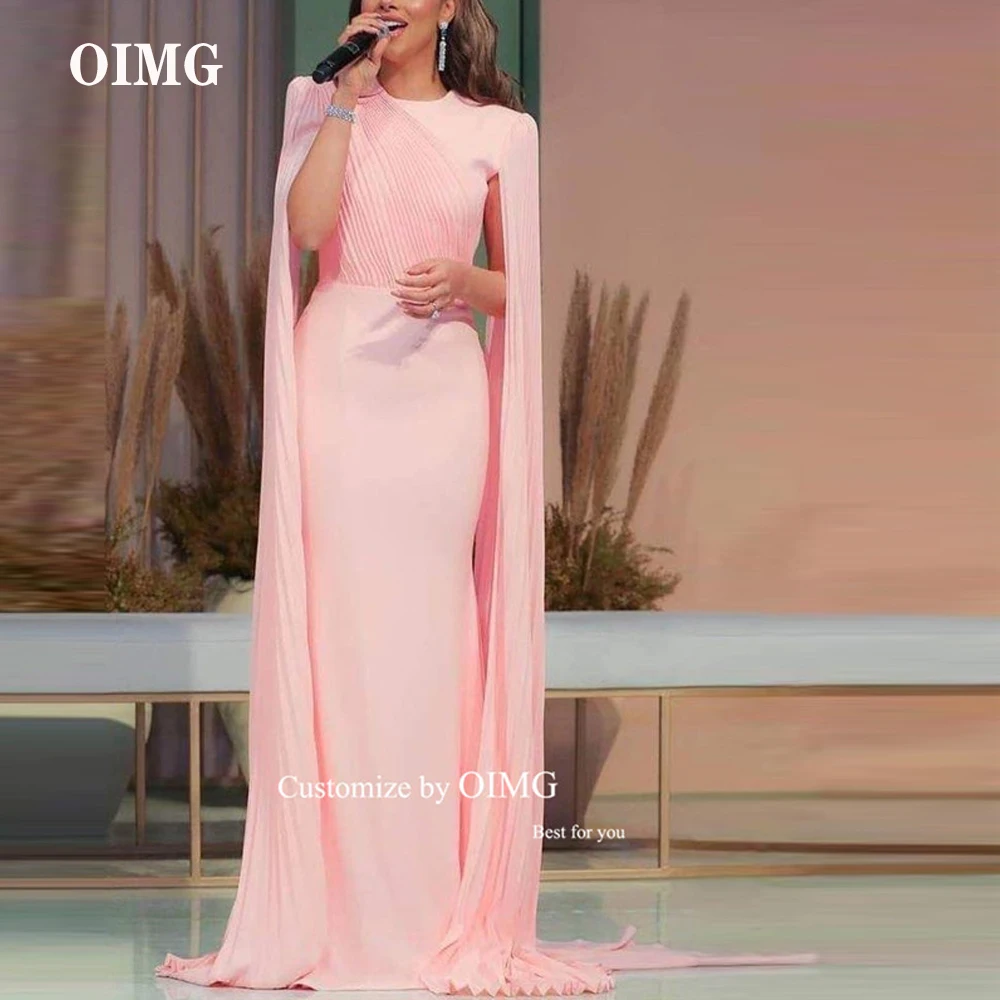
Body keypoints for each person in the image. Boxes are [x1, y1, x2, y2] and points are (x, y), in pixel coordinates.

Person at [155, 1, 818, 993]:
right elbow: (306, 232)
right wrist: (345, 101)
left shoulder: (502, 132)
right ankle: (338, 909)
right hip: (338, 373)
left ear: (451, 9)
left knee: (428, 629)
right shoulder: (318, 98)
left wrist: (466, 279)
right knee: (342, 627)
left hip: (438, 387)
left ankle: (428, 905)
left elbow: (522, 288)